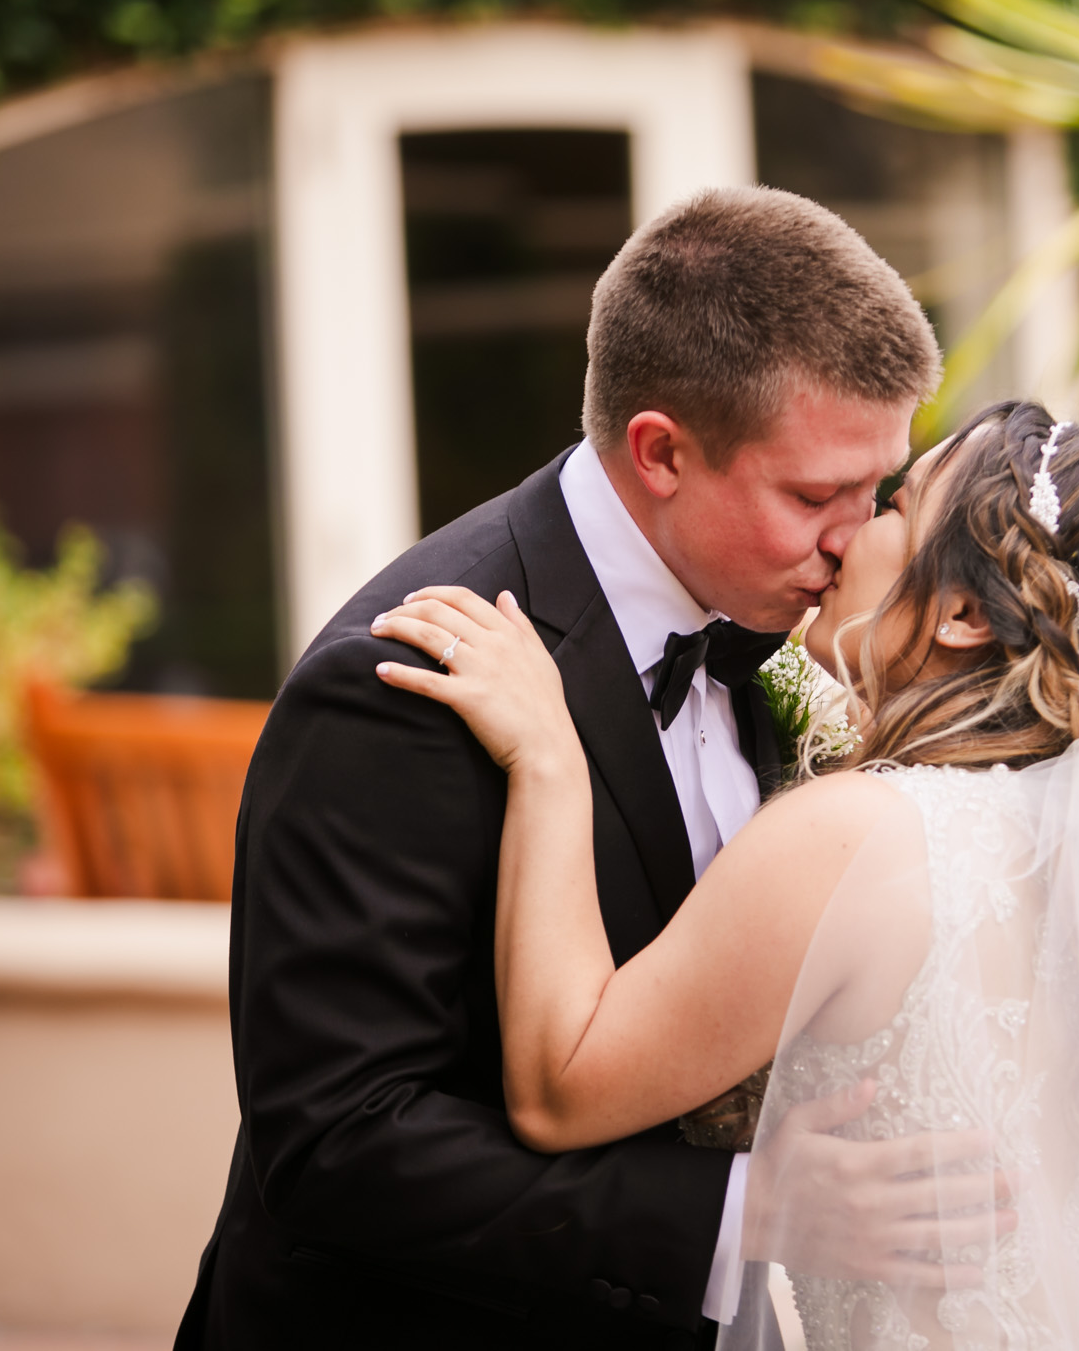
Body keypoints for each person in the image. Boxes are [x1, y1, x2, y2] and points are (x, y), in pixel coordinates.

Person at [368, 401, 1079, 1350]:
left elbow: (562, 1091)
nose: (852, 530)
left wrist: (551, 762)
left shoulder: (858, 836)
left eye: (896, 505)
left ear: (957, 614)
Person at [175, 187, 958, 1350]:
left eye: (877, 491)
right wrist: (741, 1213)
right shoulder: (400, 683)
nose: (853, 542)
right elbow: (338, 1144)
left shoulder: (768, 634)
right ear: (660, 453)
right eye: (811, 496)